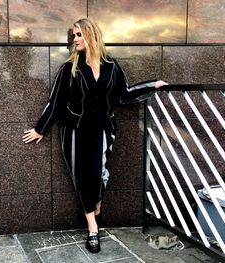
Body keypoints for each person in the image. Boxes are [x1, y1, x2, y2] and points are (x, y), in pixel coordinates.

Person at [22, 17, 167, 253]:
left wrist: (152, 86)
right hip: (75, 132)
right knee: (82, 177)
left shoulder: (112, 66)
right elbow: (55, 102)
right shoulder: (69, 68)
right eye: (73, 36)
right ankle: (92, 228)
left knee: (98, 175)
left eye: (79, 34)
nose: (74, 39)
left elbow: (124, 95)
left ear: (91, 35)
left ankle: (96, 208)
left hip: (103, 130)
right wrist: (40, 128)